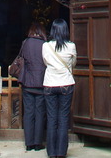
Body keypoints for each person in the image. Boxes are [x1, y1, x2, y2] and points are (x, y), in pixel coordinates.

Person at [42, 19, 76, 158]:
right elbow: (73, 63)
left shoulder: (46, 46)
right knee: (63, 118)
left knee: (51, 118)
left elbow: (45, 62)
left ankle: (51, 152)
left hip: (50, 83)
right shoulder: (71, 46)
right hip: (66, 83)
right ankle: (61, 152)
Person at [18, 22, 48, 151]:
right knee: (40, 113)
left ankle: (29, 143)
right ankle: (38, 143)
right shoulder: (45, 45)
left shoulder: (26, 43)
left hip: (28, 83)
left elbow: (20, 57)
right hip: (41, 82)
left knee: (29, 112)